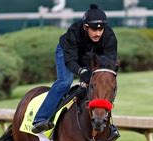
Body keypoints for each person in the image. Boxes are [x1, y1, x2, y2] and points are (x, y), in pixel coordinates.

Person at [32, 3, 118, 133]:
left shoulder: (110, 37)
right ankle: (41, 119)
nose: (98, 33)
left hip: (90, 56)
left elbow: (109, 64)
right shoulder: (74, 31)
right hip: (66, 53)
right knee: (64, 83)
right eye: (94, 30)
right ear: (85, 27)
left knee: (104, 84)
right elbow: (70, 60)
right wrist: (82, 72)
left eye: (100, 30)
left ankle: (107, 124)